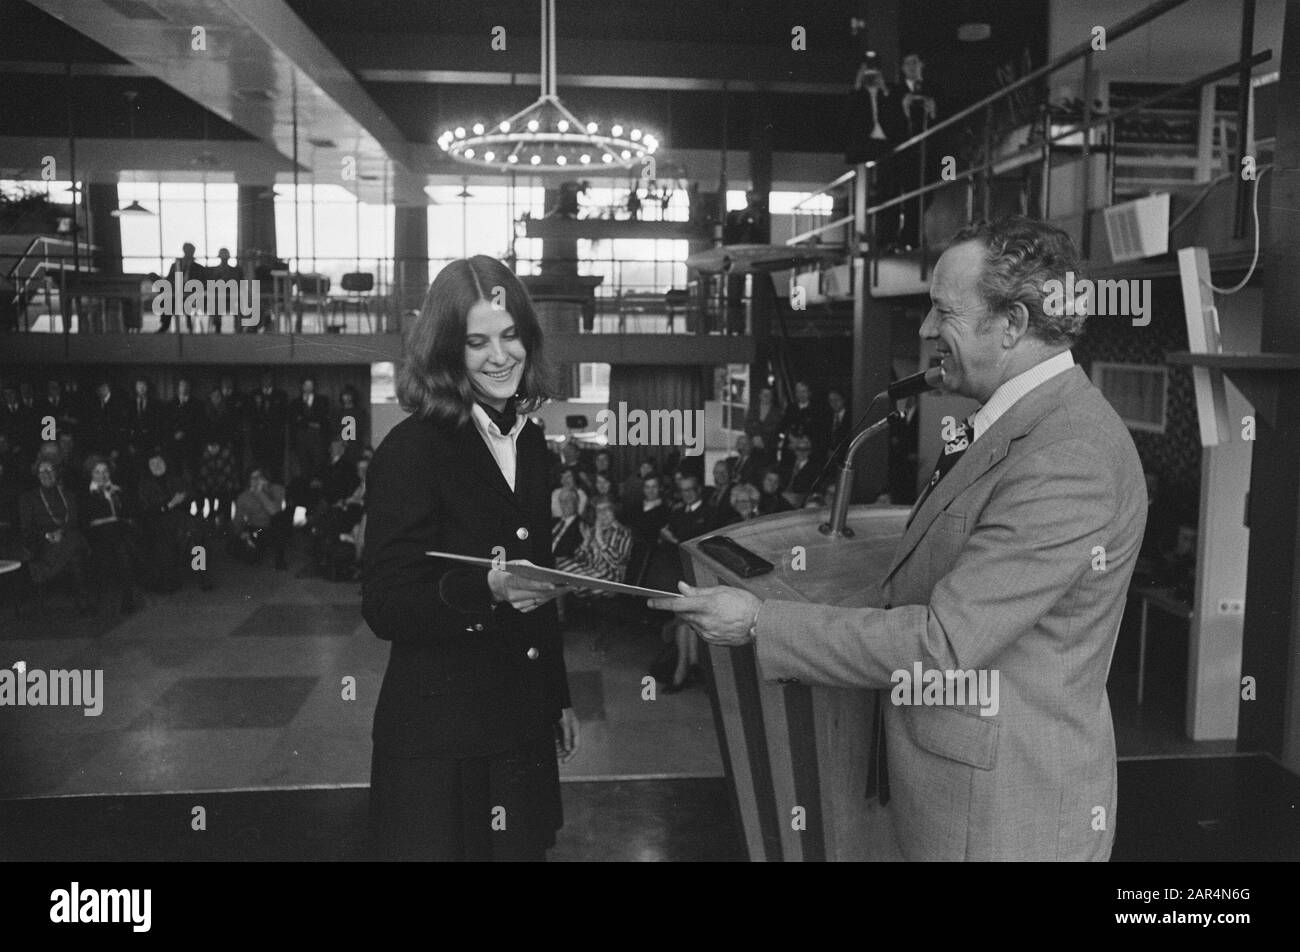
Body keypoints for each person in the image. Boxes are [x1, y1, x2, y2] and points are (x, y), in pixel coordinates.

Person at [652, 217, 1147, 862]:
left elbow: (944, 643)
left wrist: (760, 623)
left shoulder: (1068, 456)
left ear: (1014, 324)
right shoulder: (1020, 425)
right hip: (964, 798)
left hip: (1004, 818)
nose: (924, 329)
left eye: (944, 311)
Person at [362, 254, 577, 862]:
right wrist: (488, 591)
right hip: (442, 743)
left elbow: (537, 582)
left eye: (510, 336)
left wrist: (555, 697)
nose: (500, 356)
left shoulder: (530, 443)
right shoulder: (411, 451)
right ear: (445, 351)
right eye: (476, 341)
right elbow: (384, 605)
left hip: (521, 727)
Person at [18, 459, 93, 613]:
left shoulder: (69, 495)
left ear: (56, 473)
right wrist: (47, 535)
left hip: (66, 536)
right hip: (42, 541)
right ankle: (83, 601)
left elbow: (73, 521)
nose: (46, 474)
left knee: (73, 539)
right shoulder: (28, 498)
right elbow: (26, 529)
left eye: (50, 470)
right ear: (37, 475)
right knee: (76, 546)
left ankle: (42, 572)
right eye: (42, 471)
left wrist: (61, 533)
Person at [81, 456, 139, 614]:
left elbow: (127, 514)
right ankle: (109, 601)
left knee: (122, 548)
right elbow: (87, 521)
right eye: (97, 472)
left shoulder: (117, 490)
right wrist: (111, 518)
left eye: (105, 471)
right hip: (97, 535)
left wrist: (118, 498)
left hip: (118, 532)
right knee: (119, 548)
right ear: (91, 474)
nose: (102, 475)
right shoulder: (86, 494)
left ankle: (127, 600)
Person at [137, 451, 201, 591]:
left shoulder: (176, 479)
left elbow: (190, 495)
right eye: (152, 464)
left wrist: (183, 498)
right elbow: (147, 509)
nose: (157, 466)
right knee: (168, 535)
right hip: (157, 520)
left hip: (180, 517)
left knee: (194, 533)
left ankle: (201, 571)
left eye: (160, 462)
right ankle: (169, 577)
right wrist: (170, 504)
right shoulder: (144, 484)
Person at [555, 498, 632, 594]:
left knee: (563, 579)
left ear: (614, 511)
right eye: (599, 511)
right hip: (590, 569)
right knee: (556, 567)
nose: (603, 513)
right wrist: (586, 542)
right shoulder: (591, 531)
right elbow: (578, 557)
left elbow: (619, 561)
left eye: (606, 509)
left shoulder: (623, 532)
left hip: (610, 577)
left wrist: (600, 541)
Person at [230, 467, 290, 570]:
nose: (257, 480)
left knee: (279, 521)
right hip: (258, 529)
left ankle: (279, 560)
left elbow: (274, 512)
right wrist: (241, 533)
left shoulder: (277, 489)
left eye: (260, 477)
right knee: (241, 550)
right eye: (254, 478)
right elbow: (238, 520)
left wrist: (260, 493)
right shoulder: (244, 497)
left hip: (274, 526)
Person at [158, 242, 205, 333]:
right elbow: (169, 279)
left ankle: (167, 325)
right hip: (177, 292)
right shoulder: (175, 265)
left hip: (191, 293)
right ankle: (165, 325)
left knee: (175, 300)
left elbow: (201, 283)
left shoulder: (198, 268)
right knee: (170, 300)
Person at [209, 247, 240, 333]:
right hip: (218, 296)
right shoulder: (214, 270)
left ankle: (237, 327)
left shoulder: (234, 271)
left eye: (225, 258)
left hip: (231, 296)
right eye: (223, 258)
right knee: (216, 302)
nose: (224, 260)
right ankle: (217, 326)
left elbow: (237, 283)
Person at [744, 386, 781, 454]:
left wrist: (762, 439)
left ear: (772, 396)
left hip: (769, 448)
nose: (766, 397)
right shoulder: (752, 409)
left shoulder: (777, 412)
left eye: (769, 395)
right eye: (764, 394)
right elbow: (747, 426)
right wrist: (755, 437)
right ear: (760, 396)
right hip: (752, 447)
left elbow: (775, 428)